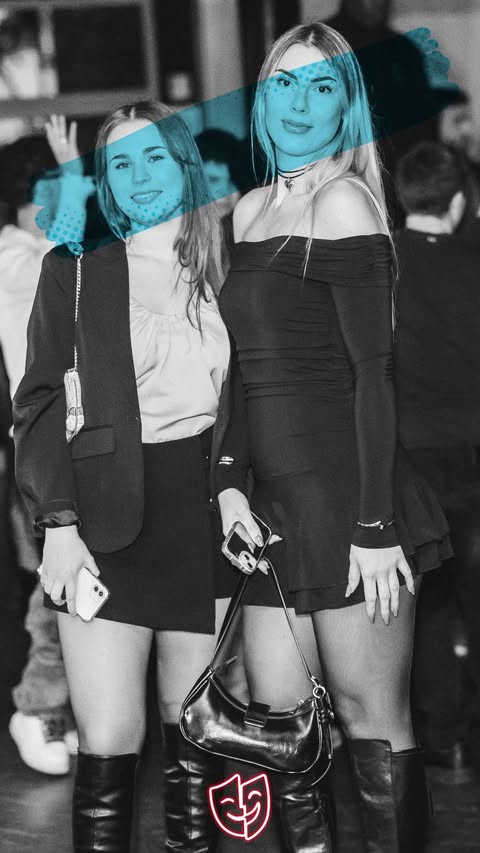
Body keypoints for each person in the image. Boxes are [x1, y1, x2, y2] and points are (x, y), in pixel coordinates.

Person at [213, 23, 451, 853]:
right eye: (284, 82)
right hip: (272, 508)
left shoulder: (342, 202)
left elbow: (373, 375)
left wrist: (376, 525)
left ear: (345, 107)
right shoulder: (249, 210)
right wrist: (228, 481)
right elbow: (241, 369)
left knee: (371, 722)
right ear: (262, 98)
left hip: (354, 501)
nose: (300, 103)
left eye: (322, 86)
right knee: (280, 725)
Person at [13, 100, 237, 852]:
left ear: (183, 163)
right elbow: (38, 404)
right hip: (101, 524)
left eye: (153, 156)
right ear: (103, 180)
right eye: (120, 162)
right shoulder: (75, 268)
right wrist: (58, 524)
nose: (139, 176)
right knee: (109, 737)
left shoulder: (226, 263)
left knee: (196, 732)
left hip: (206, 519)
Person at [0, 118, 94, 775]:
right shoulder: (14, 256)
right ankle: (38, 708)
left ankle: (72, 708)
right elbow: (74, 256)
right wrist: (74, 174)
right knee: (55, 584)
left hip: (73, 440)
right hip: (44, 448)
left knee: (82, 582)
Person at [394, 141, 480, 782]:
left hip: (410, 457)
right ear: (457, 202)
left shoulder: (380, 265)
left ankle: (437, 736)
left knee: (424, 607)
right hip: (473, 455)